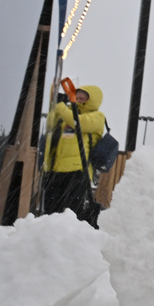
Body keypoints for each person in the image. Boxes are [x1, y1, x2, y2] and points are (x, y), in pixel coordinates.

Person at [42, 85, 106, 226]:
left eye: (84, 97)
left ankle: (71, 234)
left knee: (71, 211)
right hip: (56, 170)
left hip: (77, 171)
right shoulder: (67, 113)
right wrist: (54, 105)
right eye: (77, 95)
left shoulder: (97, 117)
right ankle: (50, 233)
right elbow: (50, 124)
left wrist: (60, 106)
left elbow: (78, 123)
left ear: (92, 100)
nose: (79, 98)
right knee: (51, 210)